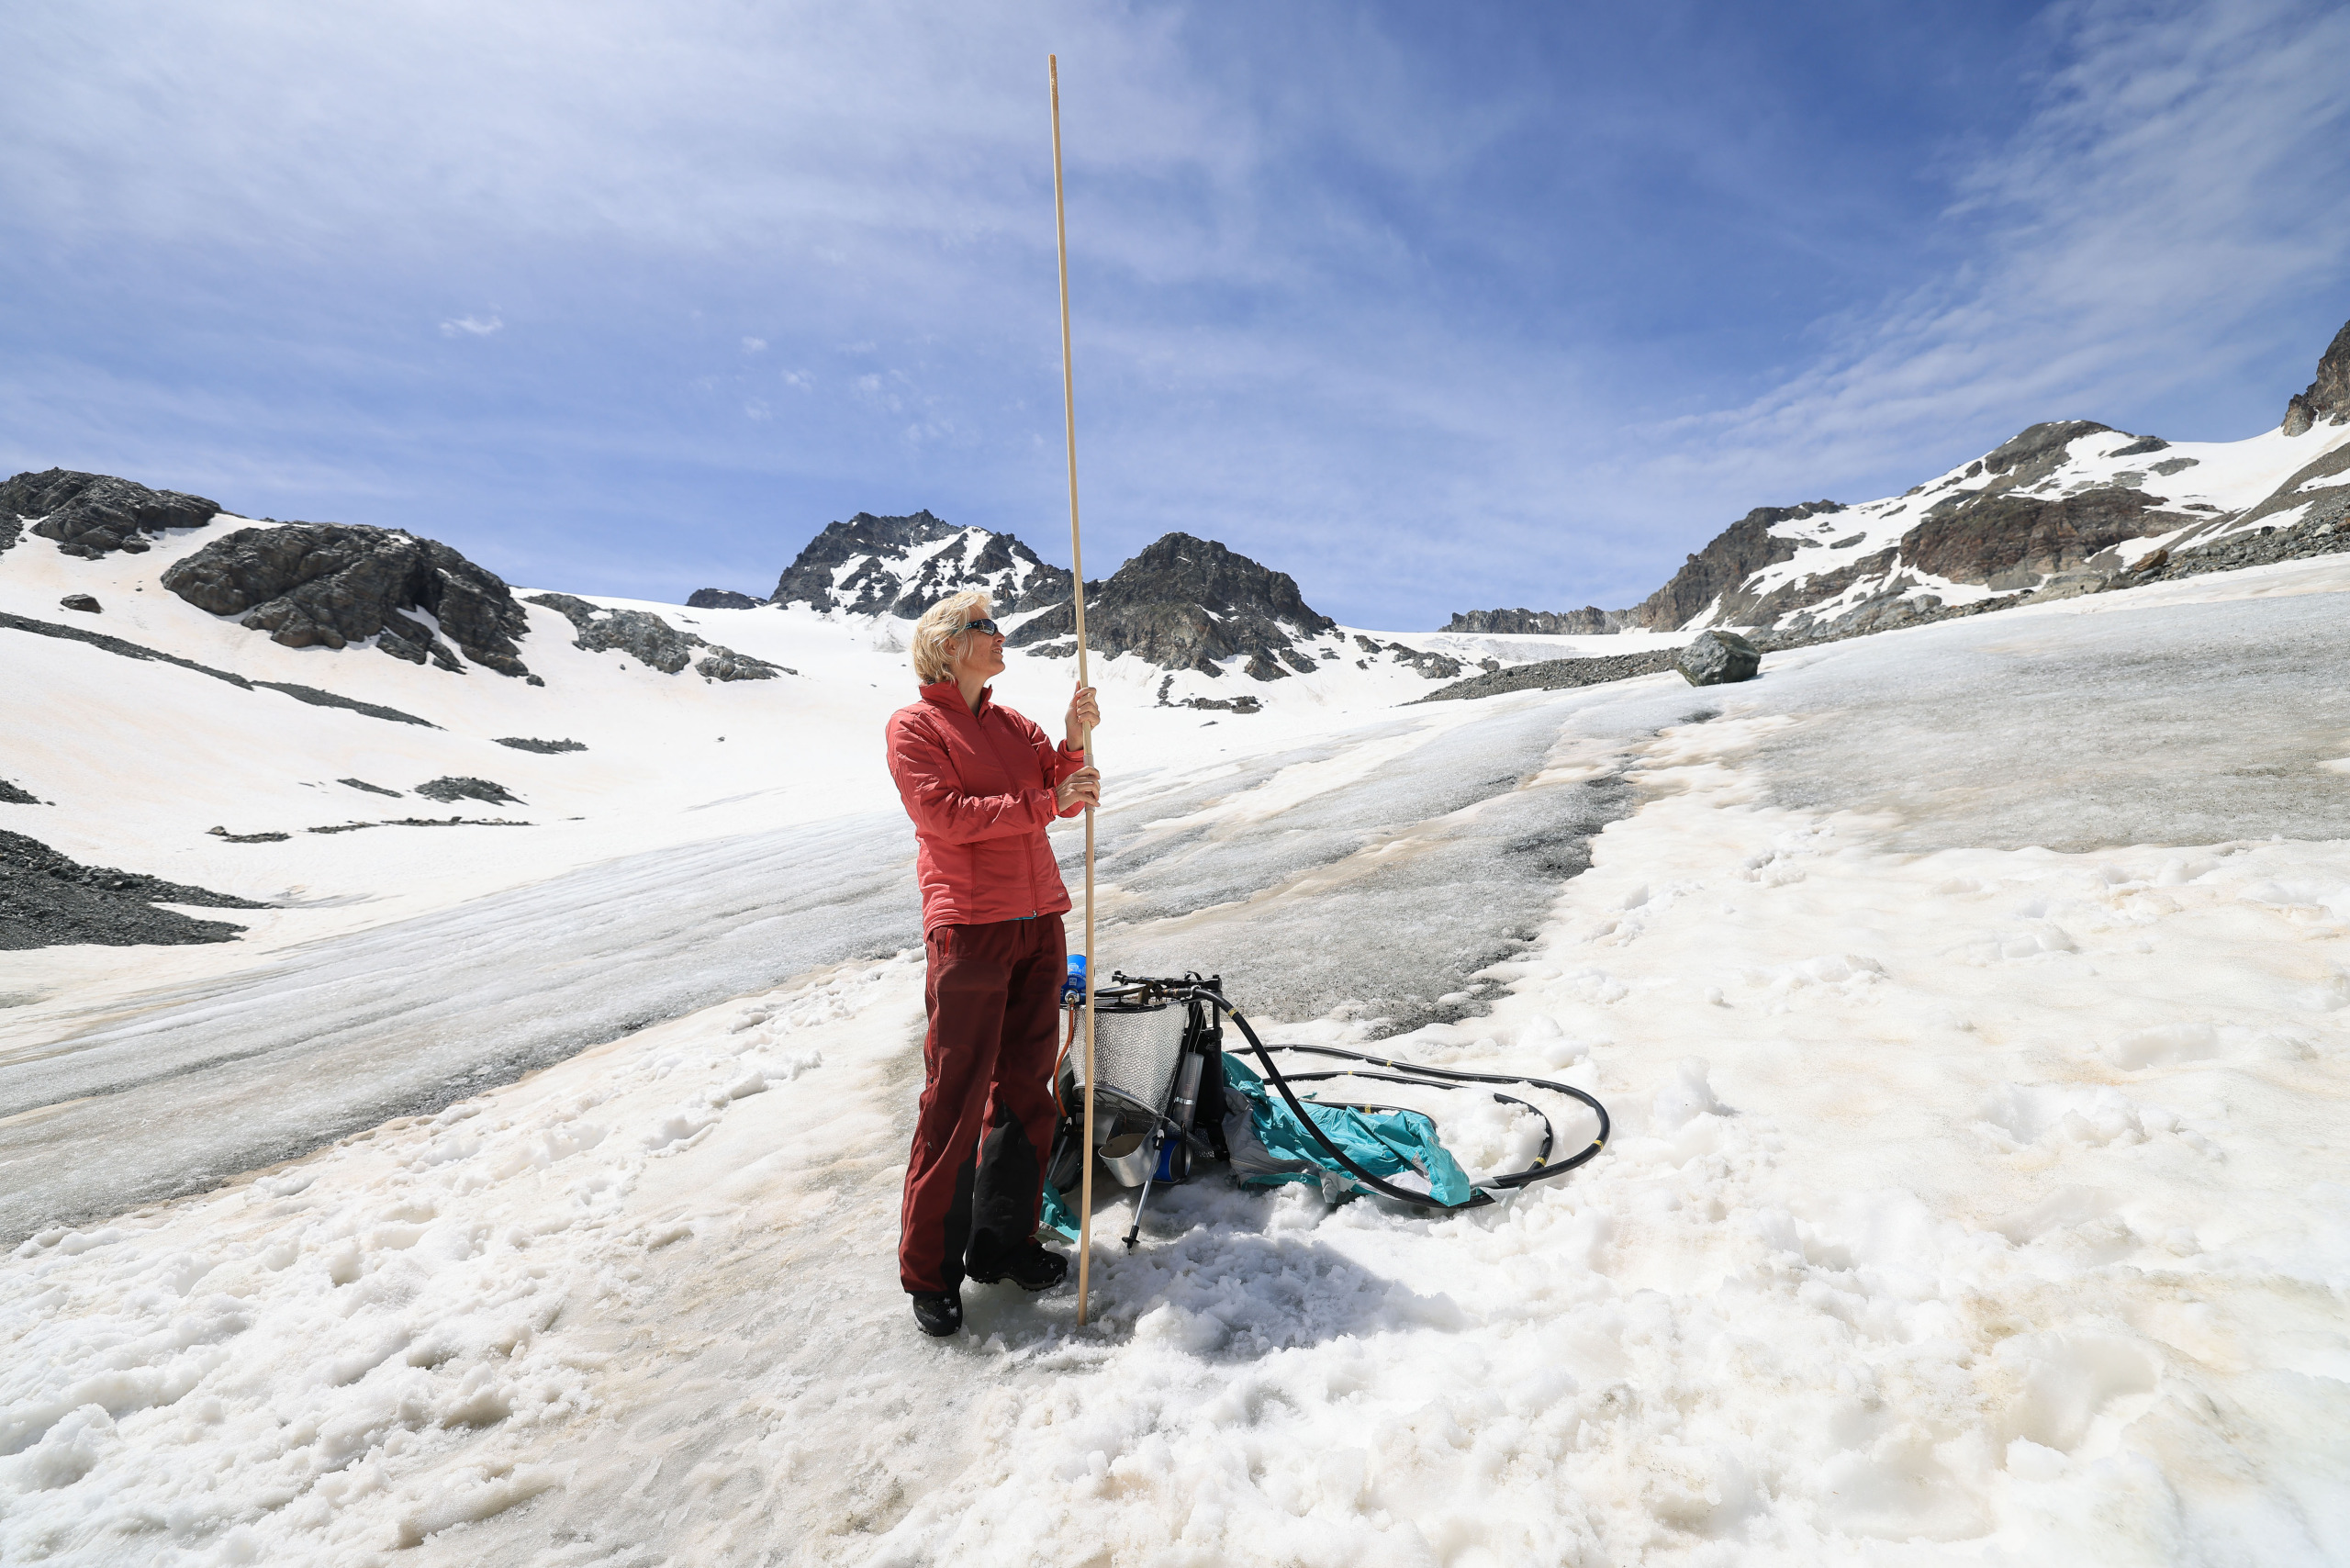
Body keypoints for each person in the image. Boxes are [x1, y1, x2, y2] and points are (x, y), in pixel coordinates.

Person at [884, 588, 1102, 1338]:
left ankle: (1003, 1241)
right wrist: (1045, 800)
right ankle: (929, 1272)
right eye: (986, 627)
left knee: (1026, 1088)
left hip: (1038, 921)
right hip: (969, 930)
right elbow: (941, 815)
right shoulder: (915, 726)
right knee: (954, 1098)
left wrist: (1074, 742)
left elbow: (1063, 796)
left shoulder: (1014, 724)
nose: (1000, 635)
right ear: (948, 644)